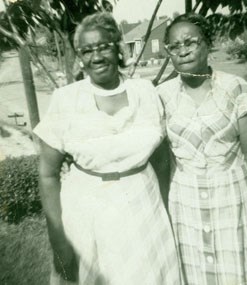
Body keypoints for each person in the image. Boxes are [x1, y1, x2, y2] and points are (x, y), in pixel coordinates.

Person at [33, 11, 182, 285]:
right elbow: (47, 175)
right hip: (88, 210)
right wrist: (59, 241)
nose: (97, 57)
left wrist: (164, 214)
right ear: (80, 56)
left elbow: (161, 160)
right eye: (87, 50)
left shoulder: (145, 92)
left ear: (118, 48)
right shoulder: (66, 100)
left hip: (143, 209)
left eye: (103, 47)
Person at [157, 13, 247, 285]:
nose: (183, 50)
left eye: (190, 42)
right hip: (185, 207)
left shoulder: (236, 89)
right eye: (174, 46)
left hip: (233, 202)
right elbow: (162, 160)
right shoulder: (162, 97)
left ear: (208, 44)